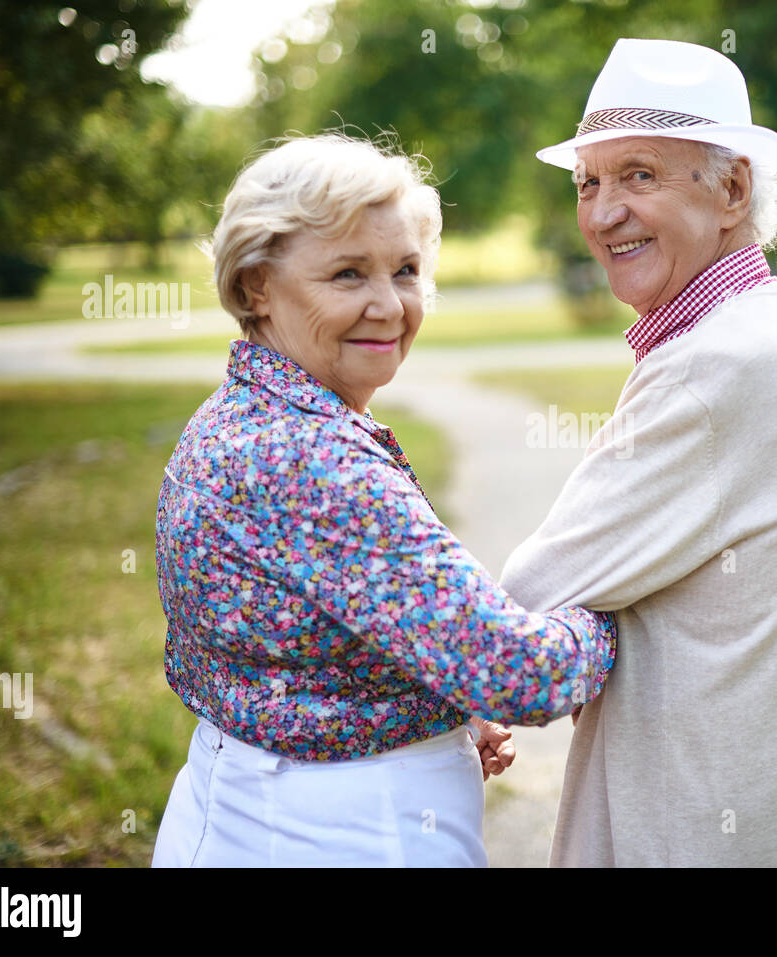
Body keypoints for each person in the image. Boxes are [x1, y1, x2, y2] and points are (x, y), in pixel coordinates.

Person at [151, 132, 615, 867]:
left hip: (238, 807)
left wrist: (442, 704)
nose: (389, 305)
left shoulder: (240, 414)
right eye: (346, 273)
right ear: (254, 288)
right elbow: (520, 672)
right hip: (347, 833)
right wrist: (622, 616)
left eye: (405, 270)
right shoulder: (310, 458)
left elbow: (308, 641)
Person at [499, 38, 777, 866]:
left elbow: (530, 599)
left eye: (639, 175)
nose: (602, 211)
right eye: (588, 182)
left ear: (732, 189)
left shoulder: (717, 367)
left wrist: (461, 698)